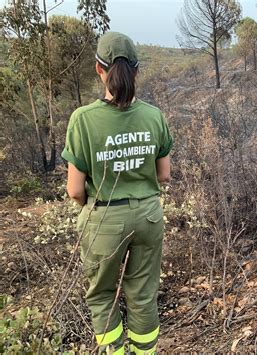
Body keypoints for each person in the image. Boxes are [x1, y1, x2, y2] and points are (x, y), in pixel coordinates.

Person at [61, 31, 173, 354]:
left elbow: (74, 190)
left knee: (101, 295)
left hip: (104, 219)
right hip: (148, 216)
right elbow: (163, 176)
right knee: (142, 294)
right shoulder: (154, 116)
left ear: (99, 69)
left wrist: (93, 205)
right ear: (136, 70)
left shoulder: (82, 120)